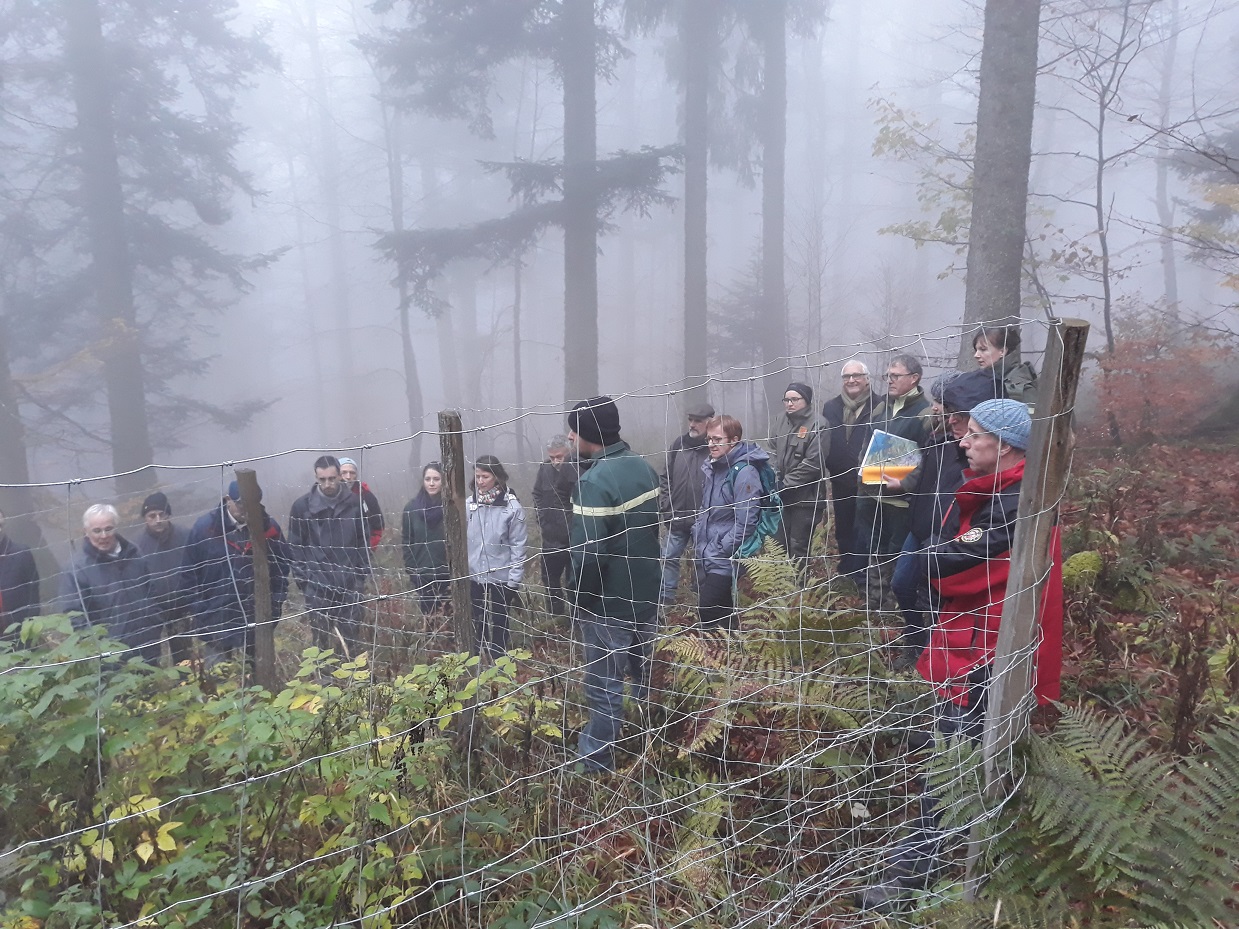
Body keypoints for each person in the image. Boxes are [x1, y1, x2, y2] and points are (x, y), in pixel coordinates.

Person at [861, 399, 1060, 911]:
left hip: (986, 652)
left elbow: (955, 563)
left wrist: (930, 553)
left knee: (953, 761)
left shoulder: (1017, 502)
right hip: (978, 642)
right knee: (957, 753)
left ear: (1007, 445)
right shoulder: (1000, 493)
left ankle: (915, 874)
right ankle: (959, 855)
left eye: (973, 435)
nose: (962, 442)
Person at [566, 397, 661, 772]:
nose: (570, 437)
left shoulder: (593, 483)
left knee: (604, 687)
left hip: (608, 604)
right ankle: (648, 735)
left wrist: (581, 599)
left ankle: (595, 763)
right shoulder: (643, 467)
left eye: (574, 430)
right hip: (647, 592)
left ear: (588, 434)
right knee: (644, 672)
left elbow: (588, 556)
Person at [888, 370, 1002, 670]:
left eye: (958, 415)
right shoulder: (938, 441)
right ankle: (916, 641)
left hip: (953, 542)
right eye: (948, 411)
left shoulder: (985, 458)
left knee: (941, 604)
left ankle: (939, 661)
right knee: (902, 584)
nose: (951, 420)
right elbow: (924, 480)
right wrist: (903, 486)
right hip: (920, 532)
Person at [853, 353, 933, 613]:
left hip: (901, 501)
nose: (889, 380)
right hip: (871, 496)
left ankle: (896, 612)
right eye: (887, 376)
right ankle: (874, 605)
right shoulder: (881, 408)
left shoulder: (926, 413)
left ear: (914, 378)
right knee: (873, 550)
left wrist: (906, 483)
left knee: (897, 555)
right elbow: (866, 445)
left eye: (895, 376)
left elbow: (930, 459)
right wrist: (861, 472)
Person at [183, 481, 291, 667]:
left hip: (257, 620)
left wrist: (274, 607)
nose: (248, 510)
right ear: (228, 500)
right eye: (242, 504)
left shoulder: (269, 529)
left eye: (253, 504)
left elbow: (281, 571)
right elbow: (189, 575)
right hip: (216, 621)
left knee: (259, 676)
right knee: (219, 680)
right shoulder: (205, 529)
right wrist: (203, 613)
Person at [287, 455, 372, 656]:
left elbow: (363, 541)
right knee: (320, 641)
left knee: (351, 638)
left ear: (340, 476)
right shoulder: (302, 507)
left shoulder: (355, 503)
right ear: (316, 478)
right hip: (317, 586)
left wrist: (360, 577)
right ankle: (324, 680)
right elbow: (295, 546)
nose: (327, 484)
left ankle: (354, 679)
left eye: (332, 478)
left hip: (350, 583)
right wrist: (305, 582)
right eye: (322, 479)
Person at [692, 414, 771, 630]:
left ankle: (712, 656)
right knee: (724, 611)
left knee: (707, 609)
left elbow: (747, 520)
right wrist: (698, 534)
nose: (711, 444)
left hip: (725, 556)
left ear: (733, 440)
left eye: (717, 439)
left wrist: (723, 547)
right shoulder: (714, 468)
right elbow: (707, 510)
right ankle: (732, 653)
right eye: (708, 439)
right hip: (707, 551)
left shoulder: (745, 472)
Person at [55, 503, 160, 663]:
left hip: (148, 649)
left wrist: (154, 624)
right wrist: (98, 649)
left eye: (108, 529)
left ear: (116, 528)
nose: (103, 536)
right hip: (109, 659)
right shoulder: (75, 569)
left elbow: (151, 591)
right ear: (86, 532)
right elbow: (74, 616)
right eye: (97, 530)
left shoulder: (134, 553)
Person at [821, 360, 880, 578]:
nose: (851, 380)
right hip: (840, 478)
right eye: (847, 377)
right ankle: (846, 571)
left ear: (867, 379)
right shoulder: (831, 407)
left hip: (869, 481)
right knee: (843, 527)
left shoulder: (880, 405)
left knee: (864, 528)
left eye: (856, 376)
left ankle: (863, 574)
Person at [466, 455, 527, 660]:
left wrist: (514, 580)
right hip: (474, 573)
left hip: (501, 574)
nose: (480, 481)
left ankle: (498, 655)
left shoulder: (512, 508)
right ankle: (478, 654)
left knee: (500, 618)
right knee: (478, 617)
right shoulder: (469, 504)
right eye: (477, 476)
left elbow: (518, 546)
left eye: (485, 476)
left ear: (497, 477)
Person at [657, 402, 713, 607]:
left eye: (698, 421)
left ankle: (700, 598)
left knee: (703, 559)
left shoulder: (714, 447)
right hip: (677, 514)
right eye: (691, 420)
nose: (693, 424)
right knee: (669, 557)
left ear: (709, 422)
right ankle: (666, 599)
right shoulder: (677, 445)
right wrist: (666, 506)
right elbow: (665, 477)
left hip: (704, 517)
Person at [771, 382, 828, 566]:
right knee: (778, 545)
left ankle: (799, 590)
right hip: (780, 496)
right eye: (786, 399)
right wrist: (773, 479)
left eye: (795, 399)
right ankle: (781, 589)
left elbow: (813, 463)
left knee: (798, 546)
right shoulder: (780, 420)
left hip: (807, 498)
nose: (790, 403)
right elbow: (771, 450)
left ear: (806, 400)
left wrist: (786, 483)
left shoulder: (819, 424)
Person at [132, 492, 192, 664]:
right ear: (145, 518)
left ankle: (187, 684)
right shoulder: (136, 546)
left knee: (184, 655)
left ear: (168, 515)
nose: (158, 520)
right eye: (152, 516)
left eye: (162, 514)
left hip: (182, 605)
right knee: (150, 655)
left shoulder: (185, 536)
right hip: (152, 609)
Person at [532, 436, 579, 616]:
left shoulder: (577, 468)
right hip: (550, 537)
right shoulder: (544, 469)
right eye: (552, 457)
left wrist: (572, 523)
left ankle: (576, 619)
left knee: (573, 582)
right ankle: (556, 616)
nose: (555, 461)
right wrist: (541, 516)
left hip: (573, 538)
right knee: (549, 580)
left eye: (559, 456)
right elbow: (537, 493)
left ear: (569, 452)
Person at [402, 462, 451, 618]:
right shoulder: (411, 508)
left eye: (436, 479)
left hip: (449, 574)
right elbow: (407, 541)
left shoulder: (452, 506)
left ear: (444, 480)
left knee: (450, 618)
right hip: (423, 575)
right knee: (429, 620)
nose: (431, 483)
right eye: (427, 479)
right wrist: (412, 570)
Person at [973, 325, 1038, 408]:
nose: (976, 355)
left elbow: (1031, 417)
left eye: (983, 349)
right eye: (976, 350)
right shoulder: (985, 377)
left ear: (1002, 351)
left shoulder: (1018, 387)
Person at [0, 507, 40, 637]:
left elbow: (34, 594)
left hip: (19, 636)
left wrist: (30, 629)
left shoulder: (21, 554)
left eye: (0, 525)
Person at [338, 457, 385, 550]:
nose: (348, 476)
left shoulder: (366, 496)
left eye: (352, 473)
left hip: (362, 553)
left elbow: (378, 526)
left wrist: (369, 548)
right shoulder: (328, 497)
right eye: (344, 472)